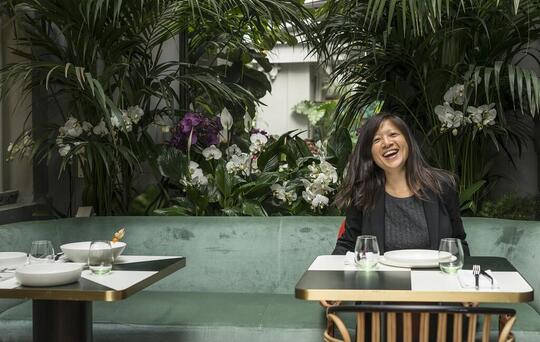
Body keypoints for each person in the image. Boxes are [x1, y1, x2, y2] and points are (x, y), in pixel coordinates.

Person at [333, 112, 469, 255]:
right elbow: (348, 244)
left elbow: (458, 242)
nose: (387, 143)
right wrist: (327, 271)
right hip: (382, 277)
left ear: (407, 140)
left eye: (392, 134)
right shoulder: (363, 192)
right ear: (370, 152)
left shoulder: (443, 185)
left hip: (434, 275)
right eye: (376, 139)